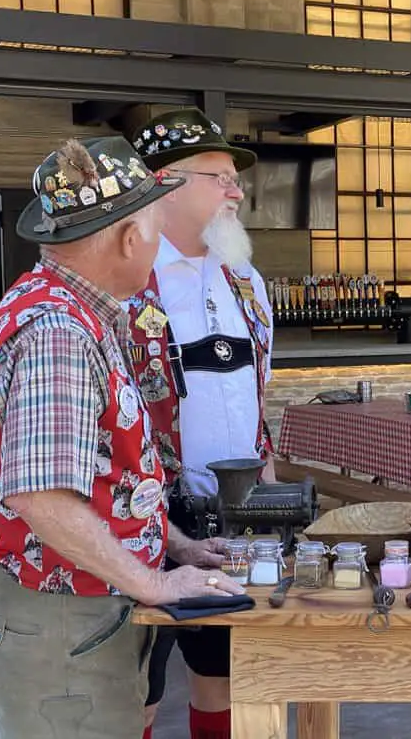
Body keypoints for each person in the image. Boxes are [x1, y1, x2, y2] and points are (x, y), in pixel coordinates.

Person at [0, 136, 245, 739]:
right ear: (130, 237)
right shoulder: (59, 332)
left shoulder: (77, 312)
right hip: (65, 624)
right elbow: (41, 496)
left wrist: (172, 543)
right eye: (152, 222)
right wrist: (152, 581)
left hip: (80, 614)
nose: (155, 239)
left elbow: (106, 476)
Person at [127, 108, 275, 739]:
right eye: (219, 176)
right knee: (137, 688)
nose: (236, 191)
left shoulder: (246, 279)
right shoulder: (129, 281)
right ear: (167, 182)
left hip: (238, 514)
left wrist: (270, 498)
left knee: (230, 678)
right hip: (145, 517)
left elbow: (255, 399)